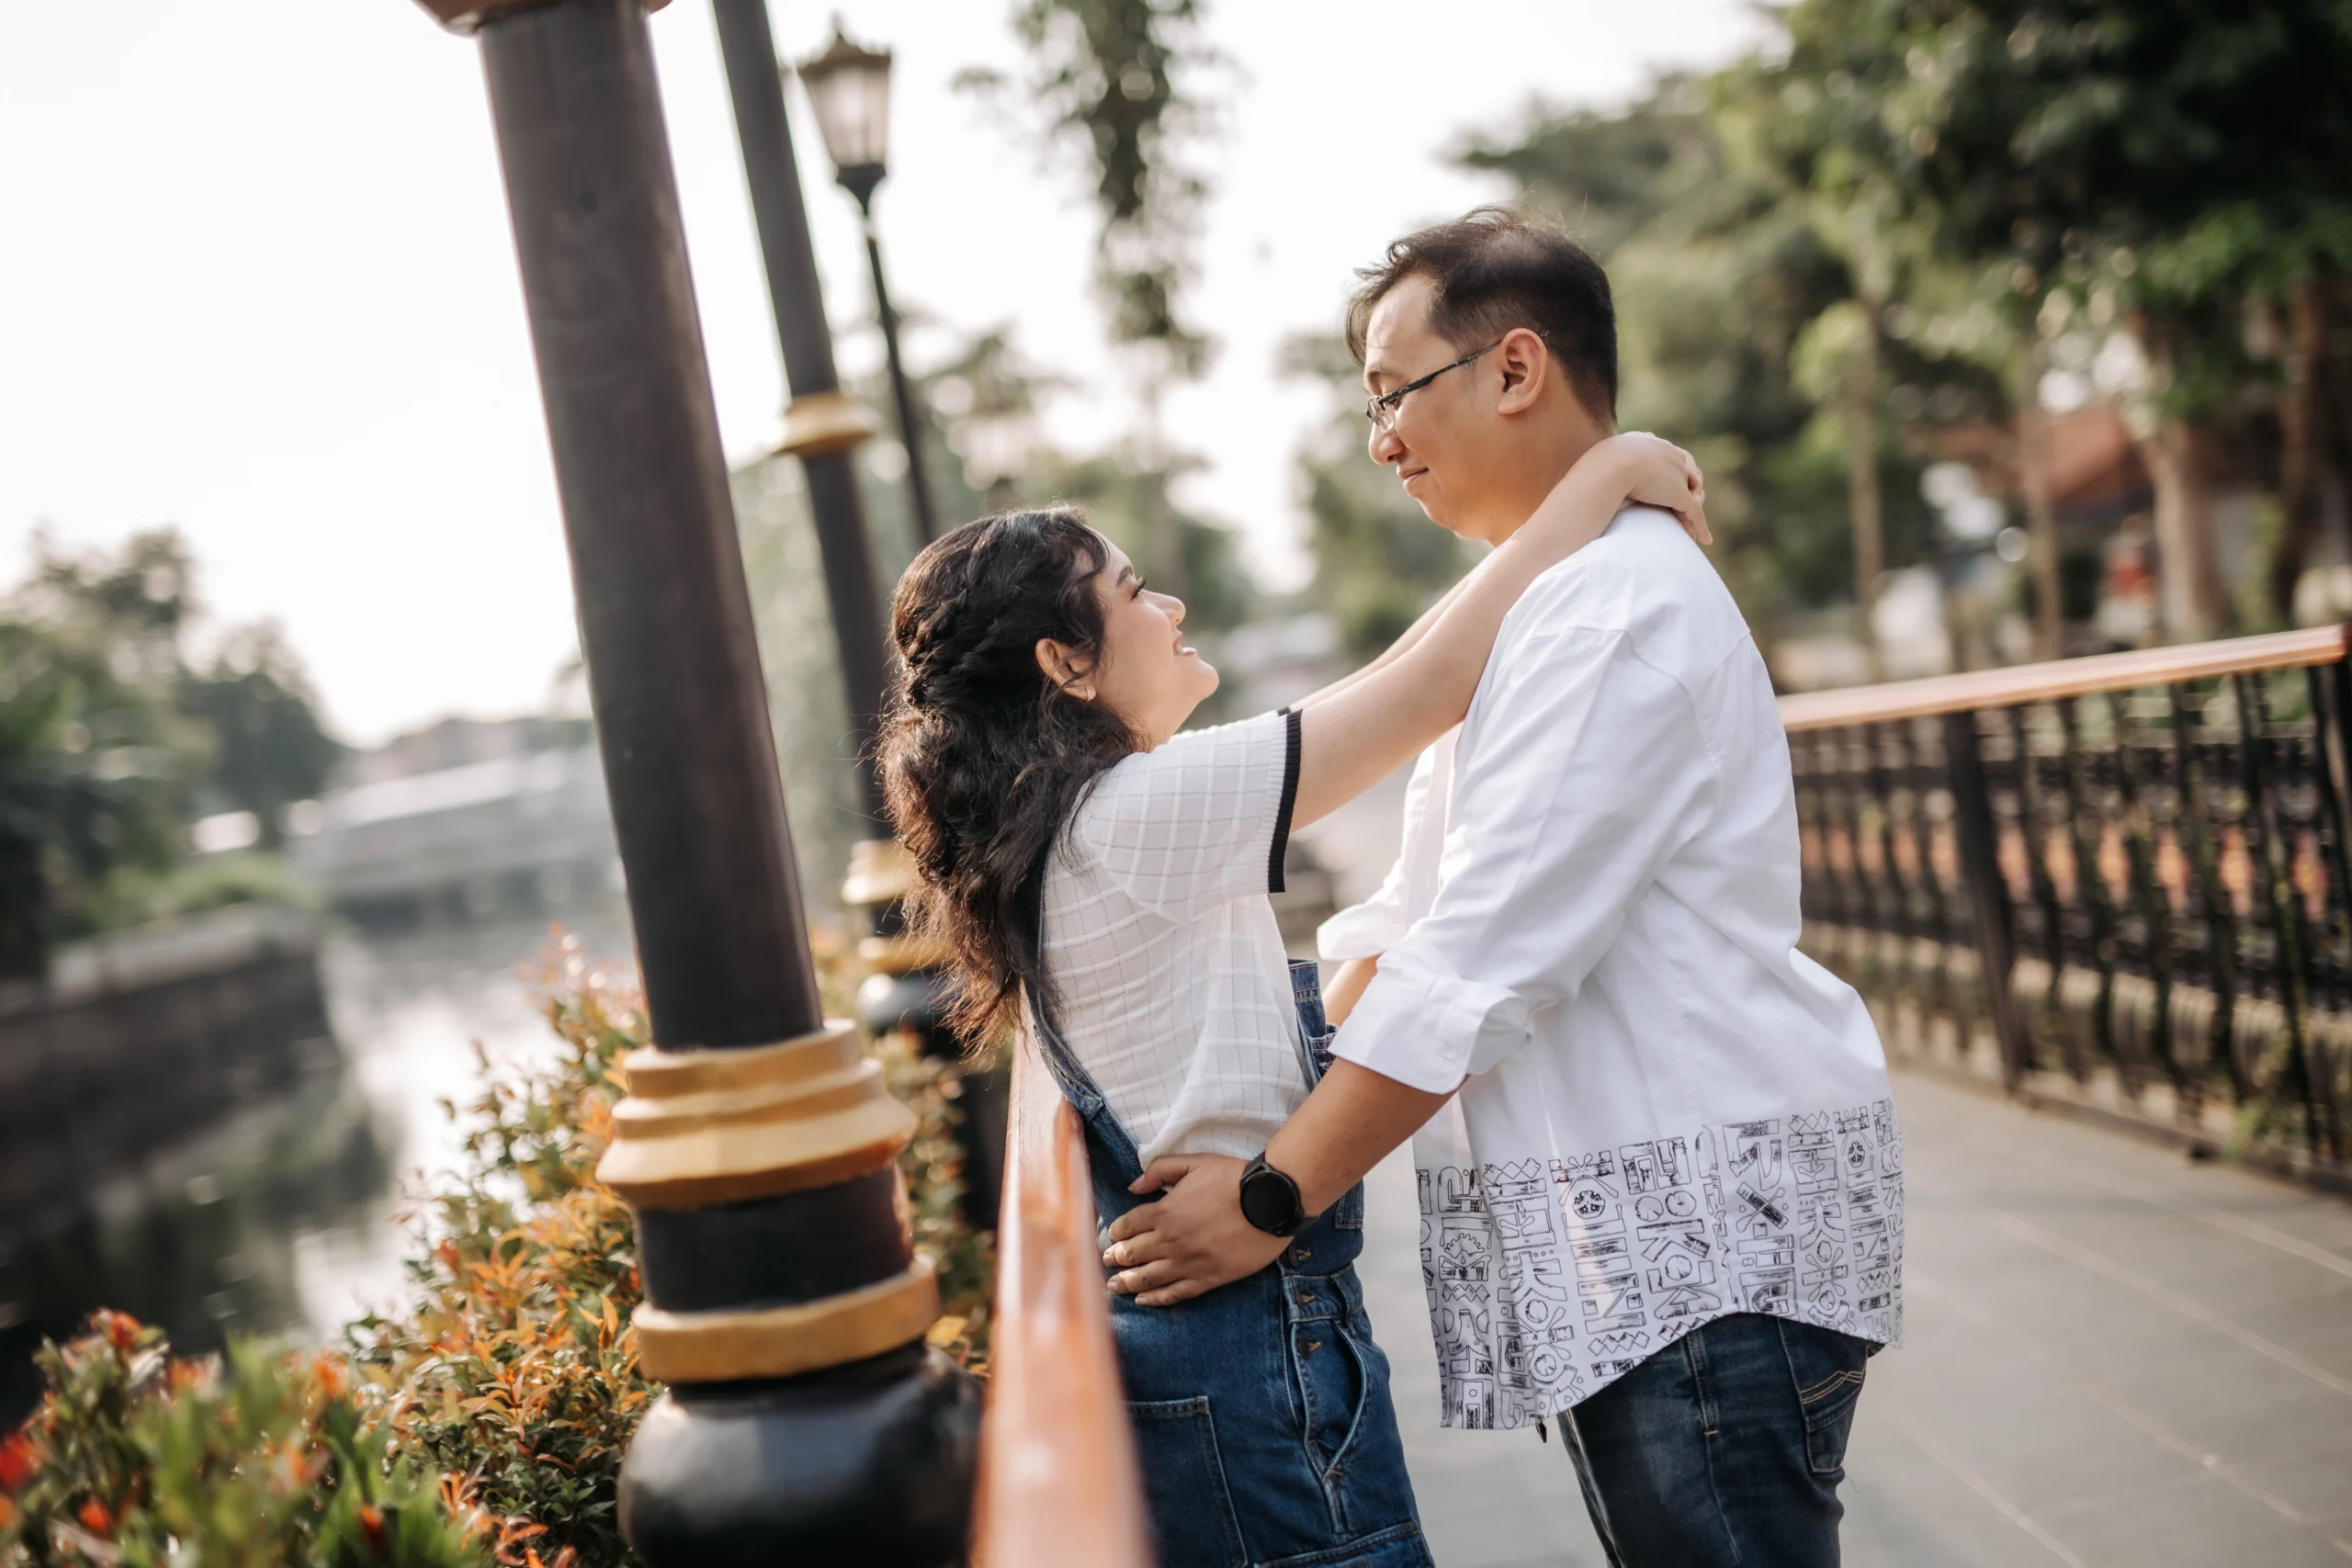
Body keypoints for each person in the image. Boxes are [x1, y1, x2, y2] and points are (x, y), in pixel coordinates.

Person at [1101, 208, 1903, 1568]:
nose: (1381, 439)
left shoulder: (1610, 615)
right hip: (1647, 1251)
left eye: (1392, 391)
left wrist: (1266, 1197)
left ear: (1514, 369)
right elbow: (1411, 914)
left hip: (1702, 1258)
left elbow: (1472, 963)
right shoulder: (1551, 601)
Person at [877, 428, 1706, 1567]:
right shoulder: (1126, 814)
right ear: (1064, 664)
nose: (1168, 605)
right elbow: (1423, 683)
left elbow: (1390, 681)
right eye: (1130, 595)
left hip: (1221, 1342)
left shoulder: (1069, 827)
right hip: (1245, 1343)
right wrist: (1604, 476)